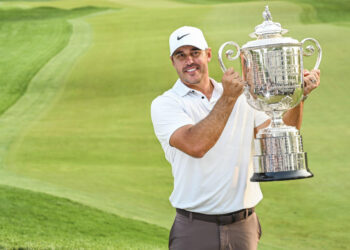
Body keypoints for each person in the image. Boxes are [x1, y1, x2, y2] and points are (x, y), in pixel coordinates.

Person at [150, 26, 320, 250]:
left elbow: (275, 141)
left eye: (195, 52)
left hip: (244, 225)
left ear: (208, 55)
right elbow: (195, 145)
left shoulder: (244, 96)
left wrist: (299, 97)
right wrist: (229, 97)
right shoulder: (166, 103)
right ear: (173, 62)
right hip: (195, 227)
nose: (188, 60)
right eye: (181, 55)